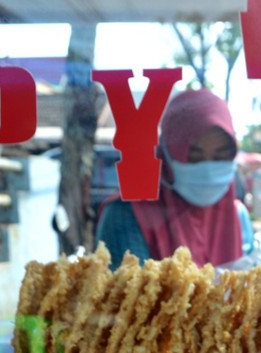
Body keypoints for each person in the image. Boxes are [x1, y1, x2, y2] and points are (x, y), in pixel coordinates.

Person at [96, 88, 243, 270]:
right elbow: (129, 293)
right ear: (166, 155)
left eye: (220, 157)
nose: (208, 170)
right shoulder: (125, 215)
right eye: (193, 156)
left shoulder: (236, 215)